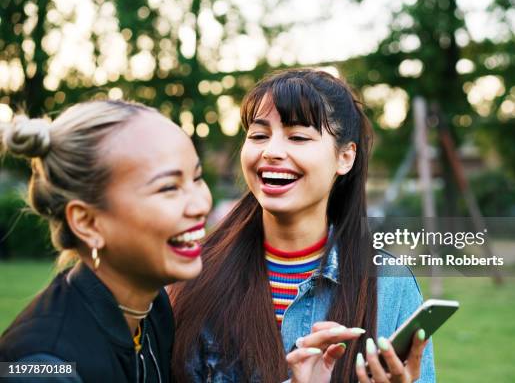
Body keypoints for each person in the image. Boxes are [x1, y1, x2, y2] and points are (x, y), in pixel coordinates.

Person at [170, 69, 435, 382]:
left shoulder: (389, 284)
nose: (271, 152)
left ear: (345, 157)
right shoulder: (192, 274)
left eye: (298, 137)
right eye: (258, 135)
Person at [0, 100, 213, 382]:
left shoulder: (152, 307)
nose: (200, 204)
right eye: (168, 187)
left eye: (197, 178)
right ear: (87, 222)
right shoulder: (45, 367)